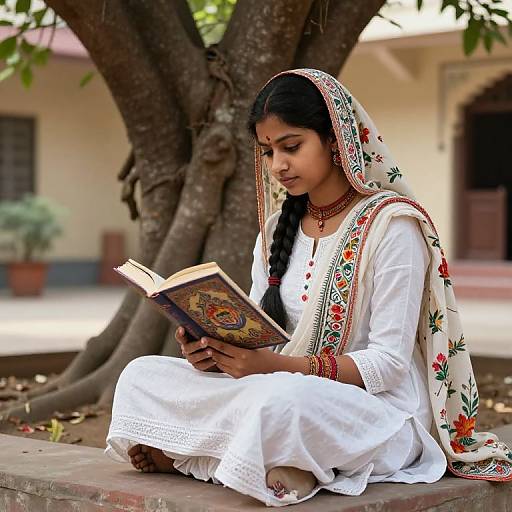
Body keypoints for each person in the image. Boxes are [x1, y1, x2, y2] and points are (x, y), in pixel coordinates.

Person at [105, 69, 512, 507]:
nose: (278, 164)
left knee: (283, 403)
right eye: (267, 151)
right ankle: (271, 462)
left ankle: (200, 458)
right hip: (276, 385)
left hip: (373, 411)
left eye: (291, 146)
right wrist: (214, 353)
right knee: (142, 374)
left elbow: (389, 365)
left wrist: (278, 369)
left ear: (335, 140)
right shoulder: (277, 229)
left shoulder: (393, 227)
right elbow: (263, 336)